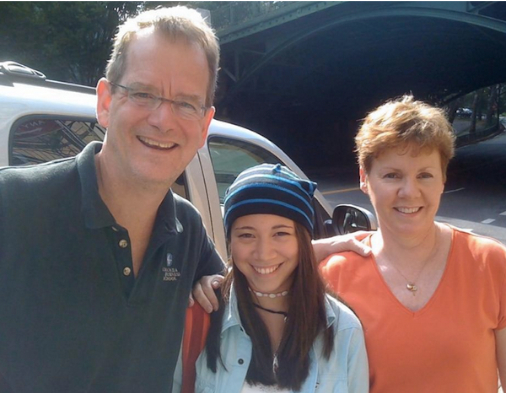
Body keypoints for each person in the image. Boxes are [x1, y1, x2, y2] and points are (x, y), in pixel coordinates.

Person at [0, 6, 369, 392]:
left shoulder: (186, 231)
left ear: (204, 124)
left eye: (185, 103)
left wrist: (335, 246)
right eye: (143, 93)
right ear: (106, 102)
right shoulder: (12, 207)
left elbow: (255, 270)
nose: (163, 119)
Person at [319, 95, 506, 393]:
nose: (410, 192)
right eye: (392, 175)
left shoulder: (490, 263)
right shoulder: (332, 276)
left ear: (443, 179)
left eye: (425, 175)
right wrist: (313, 250)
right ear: (364, 179)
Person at [174, 164, 369, 393]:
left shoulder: (343, 330)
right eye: (247, 235)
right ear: (230, 243)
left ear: (303, 241)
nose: (264, 253)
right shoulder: (198, 317)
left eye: (280, 234)